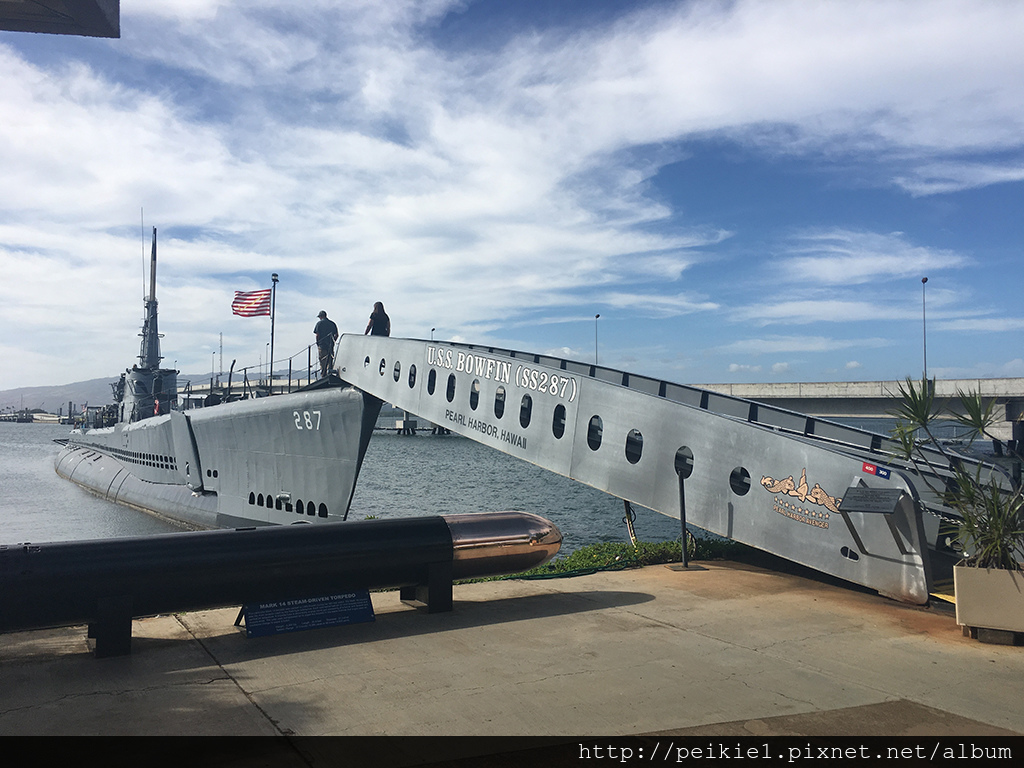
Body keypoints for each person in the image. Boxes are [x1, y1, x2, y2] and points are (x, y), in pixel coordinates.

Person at [314, 310, 339, 377]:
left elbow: (317, 335)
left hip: (322, 345)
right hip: (330, 345)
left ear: (321, 316)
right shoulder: (332, 323)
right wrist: (334, 341)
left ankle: (323, 374)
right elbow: (336, 335)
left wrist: (318, 343)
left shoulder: (319, 324)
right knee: (330, 360)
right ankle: (329, 374)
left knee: (323, 361)